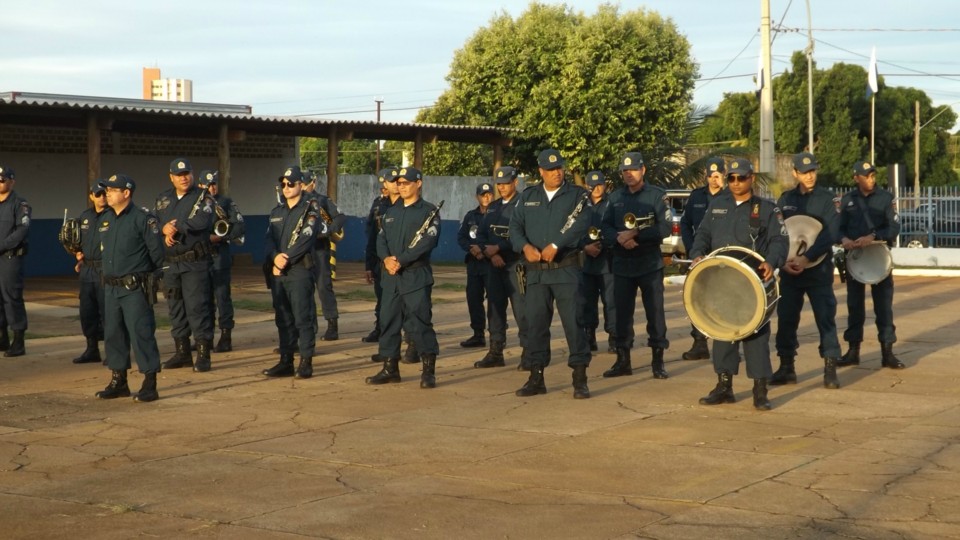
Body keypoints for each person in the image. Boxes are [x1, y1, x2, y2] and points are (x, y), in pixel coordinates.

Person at [689, 160, 788, 410]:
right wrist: (698, 253)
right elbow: (702, 234)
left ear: (750, 178)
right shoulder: (717, 205)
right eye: (731, 178)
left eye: (740, 178)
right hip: (721, 283)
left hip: (751, 284)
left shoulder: (766, 209)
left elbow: (779, 240)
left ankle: (760, 390)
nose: (735, 183)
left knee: (755, 338)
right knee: (722, 333)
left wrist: (771, 261)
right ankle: (724, 386)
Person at [509, 149, 592, 398]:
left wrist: (556, 244)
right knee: (535, 324)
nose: (557, 172)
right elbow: (515, 226)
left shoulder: (577, 195)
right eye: (551, 169)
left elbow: (581, 223)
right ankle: (536, 377)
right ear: (541, 171)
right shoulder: (528, 196)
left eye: (560, 168)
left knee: (574, 323)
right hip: (536, 273)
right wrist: (524, 246)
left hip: (565, 269)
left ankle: (580, 378)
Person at [770, 152, 843, 389]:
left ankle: (830, 368)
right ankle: (786, 367)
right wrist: (784, 262)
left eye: (812, 170)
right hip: (790, 272)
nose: (809, 176)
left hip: (818, 271)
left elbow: (830, 233)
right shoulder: (785, 199)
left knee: (825, 318)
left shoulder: (827, 199)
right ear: (795, 173)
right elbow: (778, 233)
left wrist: (807, 258)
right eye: (804, 172)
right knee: (787, 320)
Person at [366, 166, 442, 388]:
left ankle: (428, 370)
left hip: (415, 275)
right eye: (399, 183)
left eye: (406, 183)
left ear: (418, 183)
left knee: (419, 323)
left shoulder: (428, 212)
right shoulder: (391, 211)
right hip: (390, 276)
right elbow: (381, 239)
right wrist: (386, 259)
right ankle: (390, 368)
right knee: (388, 321)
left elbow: (428, 241)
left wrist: (402, 259)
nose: (402, 186)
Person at [599, 151, 672, 380]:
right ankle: (623, 361)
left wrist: (636, 235)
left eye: (633, 169)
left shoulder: (657, 196)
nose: (629, 174)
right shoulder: (615, 197)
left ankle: (658, 362)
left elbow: (665, 227)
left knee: (655, 313)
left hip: (649, 263)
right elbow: (605, 226)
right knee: (621, 314)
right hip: (622, 264)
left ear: (643, 170)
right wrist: (619, 238)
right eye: (625, 170)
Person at [95, 174, 165, 402]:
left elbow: (157, 254)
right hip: (111, 288)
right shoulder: (106, 218)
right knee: (113, 334)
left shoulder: (143, 219)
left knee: (141, 333)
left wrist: (151, 279)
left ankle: (149, 382)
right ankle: (119, 381)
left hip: (134, 287)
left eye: (113, 190)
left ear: (126, 193)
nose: (108, 193)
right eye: (107, 190)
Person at [836, 160, 904, 369]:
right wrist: (844, 240)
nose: (871, 179)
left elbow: (894, 227)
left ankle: (887, 352)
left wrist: (873, 236)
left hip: (879, 259)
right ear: (856, 177)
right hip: (855, 261)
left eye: (873, 175)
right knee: (855, 307)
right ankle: (853, 351)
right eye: (866, 175)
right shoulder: (847, 200)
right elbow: (837, 229)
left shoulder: (885, 198)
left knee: (883, 307)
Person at [155, 158, 216, 372]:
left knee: (197, 308)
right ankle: (182, 353)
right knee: (176, 308)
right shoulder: (163, 198)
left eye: (187, 173)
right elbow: (155, 222)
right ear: (171, 177)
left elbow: (203, 222)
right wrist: (163, 229)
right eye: (179, 174)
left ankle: (203, 354)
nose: (184, 177)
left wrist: (177, 227)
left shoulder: (203, 196)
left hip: (194, 263)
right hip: (171, 264)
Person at [262, 166, 321, 379]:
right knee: (283, 317)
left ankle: (306, 361)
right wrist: (274, 257)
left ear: (301, 185)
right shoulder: (276, 212)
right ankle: (286, 361)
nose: (286, 188)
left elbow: (306, 238)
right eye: (283, 184)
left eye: (291, 184)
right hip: (278, 272)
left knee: (302, 318)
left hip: (298, 270)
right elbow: (269, 239)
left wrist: (284, 259)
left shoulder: (310, 210)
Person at [474, 166, 528, 369]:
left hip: (516, 264)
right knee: (495, 309)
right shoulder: (494, 207)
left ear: (515, 182)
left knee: (522, 309)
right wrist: (492, 252)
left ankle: (528, 352)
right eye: (499, 184)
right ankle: (496, 351)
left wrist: (500, 248)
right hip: (494, 266)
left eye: (506, 183)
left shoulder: (523, 204)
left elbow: (524, 235)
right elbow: (480, 235)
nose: (502, 187)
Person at [678, 156, 726, 360]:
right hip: (700, 256)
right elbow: (685, 223)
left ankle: (726, 345)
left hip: (723, 256)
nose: (713, 180)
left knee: (724, 300)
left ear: (724, 175)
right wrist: (692, 250)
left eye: (717, 176)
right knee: (697, 299)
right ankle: (699, 343)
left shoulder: (730, 196)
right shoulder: (697, 197)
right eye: (710, 176)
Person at [199, 170, 246, 353]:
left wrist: (221, 236)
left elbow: (240, 225)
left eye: (214, 183)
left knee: (222, 298)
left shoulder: (225, 202)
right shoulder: (196, 204)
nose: (211, 187)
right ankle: (206, 338)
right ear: (201, 185)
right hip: (201, 256)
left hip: (219, 256)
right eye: (207, 184)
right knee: (204, 299)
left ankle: (226, 337)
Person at [577, 170, 617, 353]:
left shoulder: (612, 203)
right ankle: (589, 336)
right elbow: (573, 230)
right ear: (586, 186)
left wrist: (602, 245)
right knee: (587, 301)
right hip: (587, 261)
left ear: (605, 185)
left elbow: (617, 229)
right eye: (592, 185)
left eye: (599, 184)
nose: (596, 188)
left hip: (608, 259)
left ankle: (614, 337)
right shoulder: (580, 205)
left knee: (611, 301)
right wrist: (585, 247)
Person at [303, 172, 346, 341]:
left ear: (313, 183)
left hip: (320, 249)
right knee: (305, 290)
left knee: (323, 287)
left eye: (306, 183)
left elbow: (340, 217)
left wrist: (328, 230)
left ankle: (332, 326)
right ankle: (310, 327)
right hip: (303, 250)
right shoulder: (295, 203)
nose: (304, 187)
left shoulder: (322, 200)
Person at [72, 181, 109, 364]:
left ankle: (112, 351)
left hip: (105, 268)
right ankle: (92, 349)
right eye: (98, 194)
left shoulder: (113, 215)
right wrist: (78, 255)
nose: (102, 197)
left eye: (104, 193)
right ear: (91, 196)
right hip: (87, 269)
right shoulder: (85, 216)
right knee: (87, 311)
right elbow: (79, 242)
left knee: (107, 311)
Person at [362, 167, 399, 344]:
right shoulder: (378, 204)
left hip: (398, 261)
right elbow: (372, 236)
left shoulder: (403, 205)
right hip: (379, 260)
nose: (384, 187)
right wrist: (369, 265)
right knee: (381, 298)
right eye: (383, 183)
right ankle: (381, 330)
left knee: (400, 302)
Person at [456, 182, 494, 348]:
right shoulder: (471, 216)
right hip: (474, 264)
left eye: (488, 194)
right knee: (473, 299)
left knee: (494, 301)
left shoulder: (498, 214)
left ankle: (497, 336)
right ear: (477, 196)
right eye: (482, 194)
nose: (486, 197)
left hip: (491, 264)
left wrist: (483, 249)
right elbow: (462, 237)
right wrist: (472, 249)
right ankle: (478, 334)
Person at [0, 165, 30, 358]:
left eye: (2, 179)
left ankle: (18, 341)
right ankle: (2, 338)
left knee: (12, 298)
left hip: (9, 256)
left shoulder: (19, 203)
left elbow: (22, 230)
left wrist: (2, 245)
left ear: (11, 181)